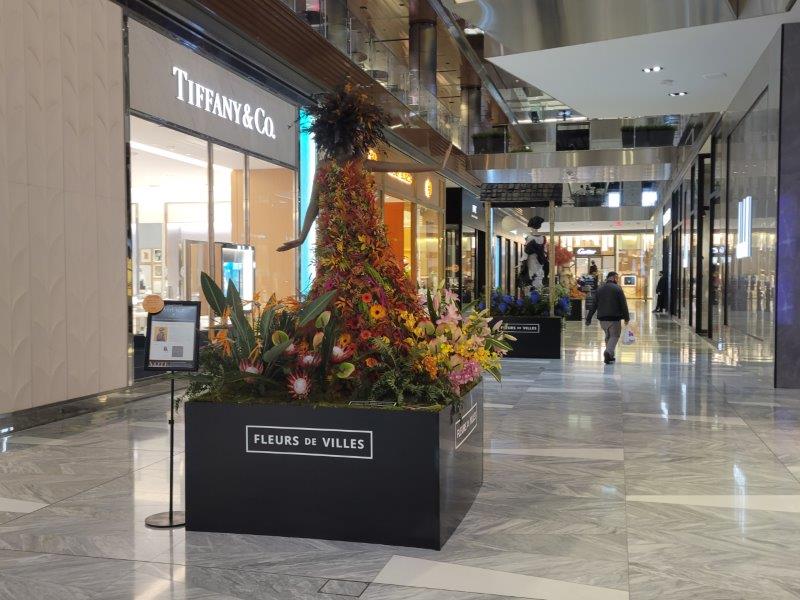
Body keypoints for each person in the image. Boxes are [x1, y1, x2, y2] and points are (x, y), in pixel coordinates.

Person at [585, 272, 630, 364]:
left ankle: (610, 357)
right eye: (617, 278)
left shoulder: (599, 289)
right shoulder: (618, 288)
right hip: (614, 318)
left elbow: (594, 305)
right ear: (613, 278)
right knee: (615, 336)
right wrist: (626, 317)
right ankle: (608, 352)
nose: (617, 280)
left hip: (602, 318)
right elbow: (623, 304)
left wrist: (588, 318)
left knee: (608, 336)